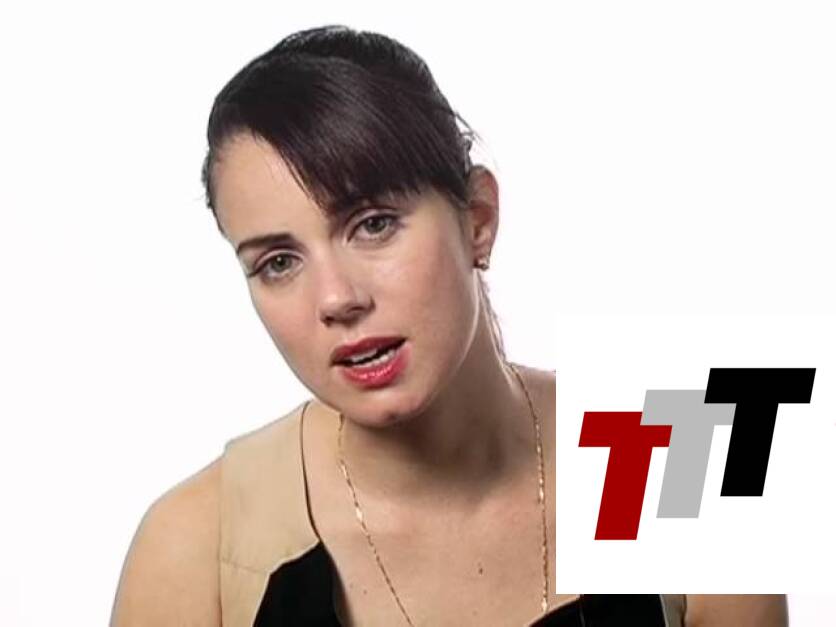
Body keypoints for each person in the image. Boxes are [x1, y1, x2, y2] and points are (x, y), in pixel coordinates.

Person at [110, 25, 788, 626]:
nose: (337, 298)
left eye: (374, 224)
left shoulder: (690, 464)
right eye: (279, 262)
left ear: (477, 218)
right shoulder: (196, 550)